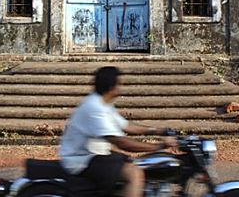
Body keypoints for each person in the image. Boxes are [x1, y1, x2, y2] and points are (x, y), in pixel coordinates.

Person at [59, 66, 178, 197]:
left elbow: (126, 126)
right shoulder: (95, 108)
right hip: (82, 160)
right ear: (112, 87)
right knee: (134, 173)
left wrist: (158, 130)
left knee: (138, 164)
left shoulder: (103, 103)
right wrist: (159, 146)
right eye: (119, 84)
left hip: (97, 155)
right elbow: (121, 143)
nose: (120, 87)